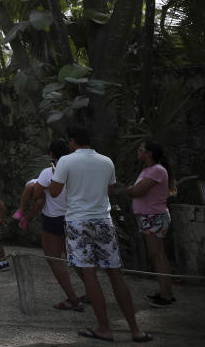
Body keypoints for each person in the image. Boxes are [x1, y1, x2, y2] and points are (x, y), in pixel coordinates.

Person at [49, 127, 152, 343]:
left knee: (89, 275)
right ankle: (135, 329)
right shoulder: (106, 161)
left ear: (72, 142)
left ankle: (104, 328)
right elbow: (110, 190)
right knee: (116, 274)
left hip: (78, 221)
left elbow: (55, 192)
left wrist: (55, 171)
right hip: (103, 220)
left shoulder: (66, 161)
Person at [31, 139, 86, 311]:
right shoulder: (76, 170)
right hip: (73, 217)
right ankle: (91, 290)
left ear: (51, 154)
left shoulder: (48, 172)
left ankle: (72, 298)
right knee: (76, 257)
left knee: (54, 258)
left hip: (53, 218)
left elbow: (36, 193)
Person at [125, 140, 176, 307]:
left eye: (141, 149)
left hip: (154, 217)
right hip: (150, 217)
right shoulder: (149, 170)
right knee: (159, 255)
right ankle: (166, 291)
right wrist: (132, 189)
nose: (138, 151)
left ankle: (166, 296)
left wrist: (130, 189)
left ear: (149, 153)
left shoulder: (157, 170)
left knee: (157, 255)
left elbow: (138, 190)